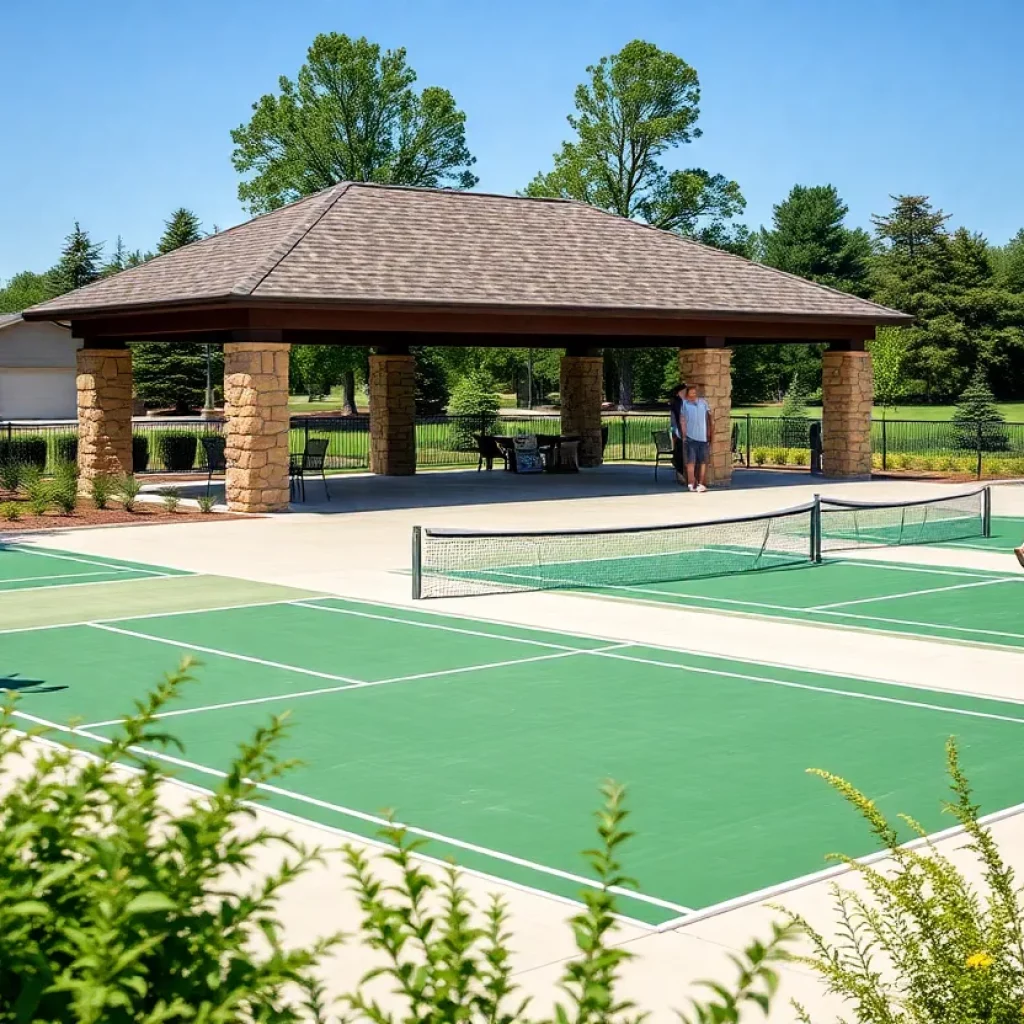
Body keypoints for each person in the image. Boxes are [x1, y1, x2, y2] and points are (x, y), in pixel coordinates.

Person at [680, 384, 714, 492]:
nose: (693, 395)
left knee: (703, 461)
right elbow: (683, 420)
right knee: (691, 461)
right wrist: (684, 434)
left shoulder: (703, 403)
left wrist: (710, 432)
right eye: (691, 393)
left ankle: (701, 483)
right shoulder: (684, 404)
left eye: (694, 393)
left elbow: (709, 417)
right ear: (687, 394)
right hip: (691, 437)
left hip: (702, 438)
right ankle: (691, 483)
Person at [668, 383, 688, 485]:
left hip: (682, 430)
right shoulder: (677, 402)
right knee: (679, 452)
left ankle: (683, 474)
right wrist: (677, 432)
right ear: (680, 392)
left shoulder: (683, 401)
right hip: (678, 430)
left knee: (682, 453)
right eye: (684, 391)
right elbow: (676, 419)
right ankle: (680, 474)